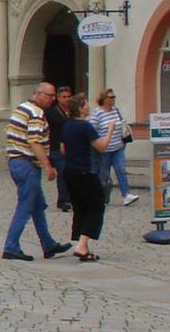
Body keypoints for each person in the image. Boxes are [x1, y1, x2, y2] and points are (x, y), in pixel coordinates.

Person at [2, 82, 74, 261]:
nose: (52, 100)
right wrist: (47, 166)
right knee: (26, 206)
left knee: (38, 206)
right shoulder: (36, 112)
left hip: (17, 162)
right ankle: (11, 246)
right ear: (39, 94)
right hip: (26, 163)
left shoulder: (21, 108)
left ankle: (48, 244)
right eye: (49, 96)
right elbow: (34, 141)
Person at [58, 93, 120, 262]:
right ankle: (82, 244)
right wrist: (110, 131)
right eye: (85, 104)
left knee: (80, 209)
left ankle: (83, 246)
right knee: (96, 206)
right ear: (80, 107)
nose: (88, 106)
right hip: (85, 172)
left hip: (69, 172)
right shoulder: (85, 127)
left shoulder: (67, 125)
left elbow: (63, 149)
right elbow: (102, 147)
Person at [91, 89, 140, 206]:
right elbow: (92, 131)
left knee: (120, 170)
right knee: (103, 175)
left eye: (114, 97)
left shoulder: (115, 111)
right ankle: (100, 197)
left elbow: (121, 124)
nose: (113, 99)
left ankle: (126, 194)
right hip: (104, 150)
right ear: (104, 99)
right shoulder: (97, 113)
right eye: (111, 97)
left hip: (118, 147)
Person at [45, 86, 74, 212]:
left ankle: (72, 198)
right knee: (62, 172)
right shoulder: (51, 113)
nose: (67, 99)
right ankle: (63, 200)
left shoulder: (74, 112)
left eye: (69, 96)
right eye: (64, 97)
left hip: (72, 147)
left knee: (71, 172)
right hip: (56, 147)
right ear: (58, 98)